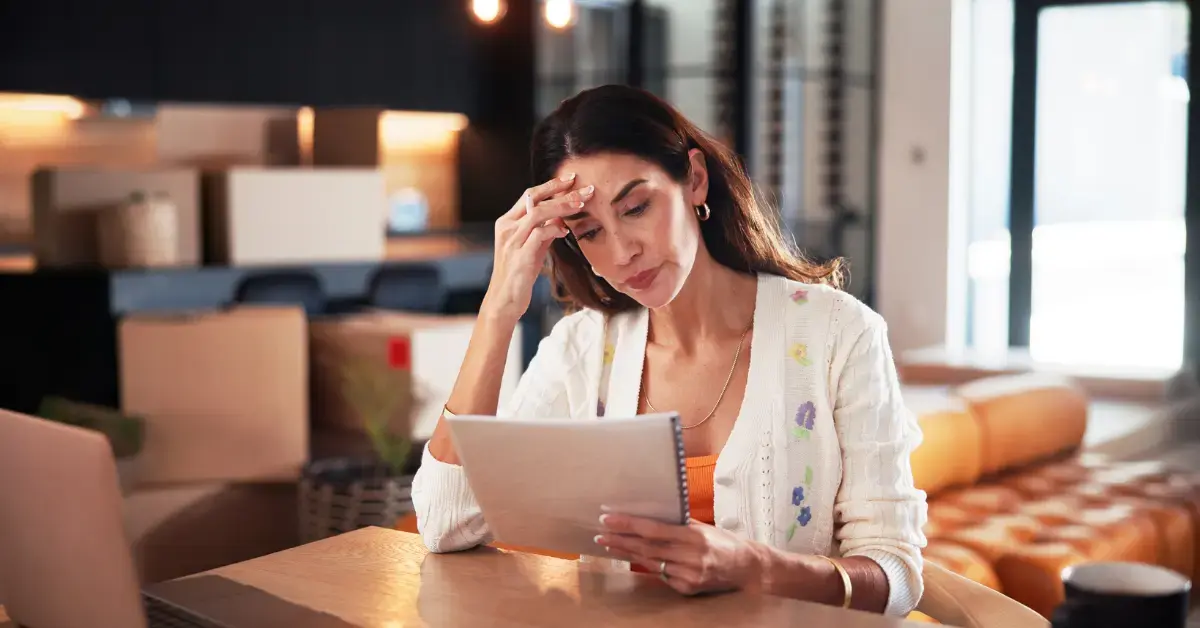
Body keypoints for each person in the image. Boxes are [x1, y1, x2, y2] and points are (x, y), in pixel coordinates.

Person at [411, 84, 927, 617]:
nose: (622, 251)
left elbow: (896, 577)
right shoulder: (583, 350)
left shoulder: (839, 335)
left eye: (636, 207)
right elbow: (446, 521)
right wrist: (498, 311)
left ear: (695, 181)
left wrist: (757, 567)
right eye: (589, 233)